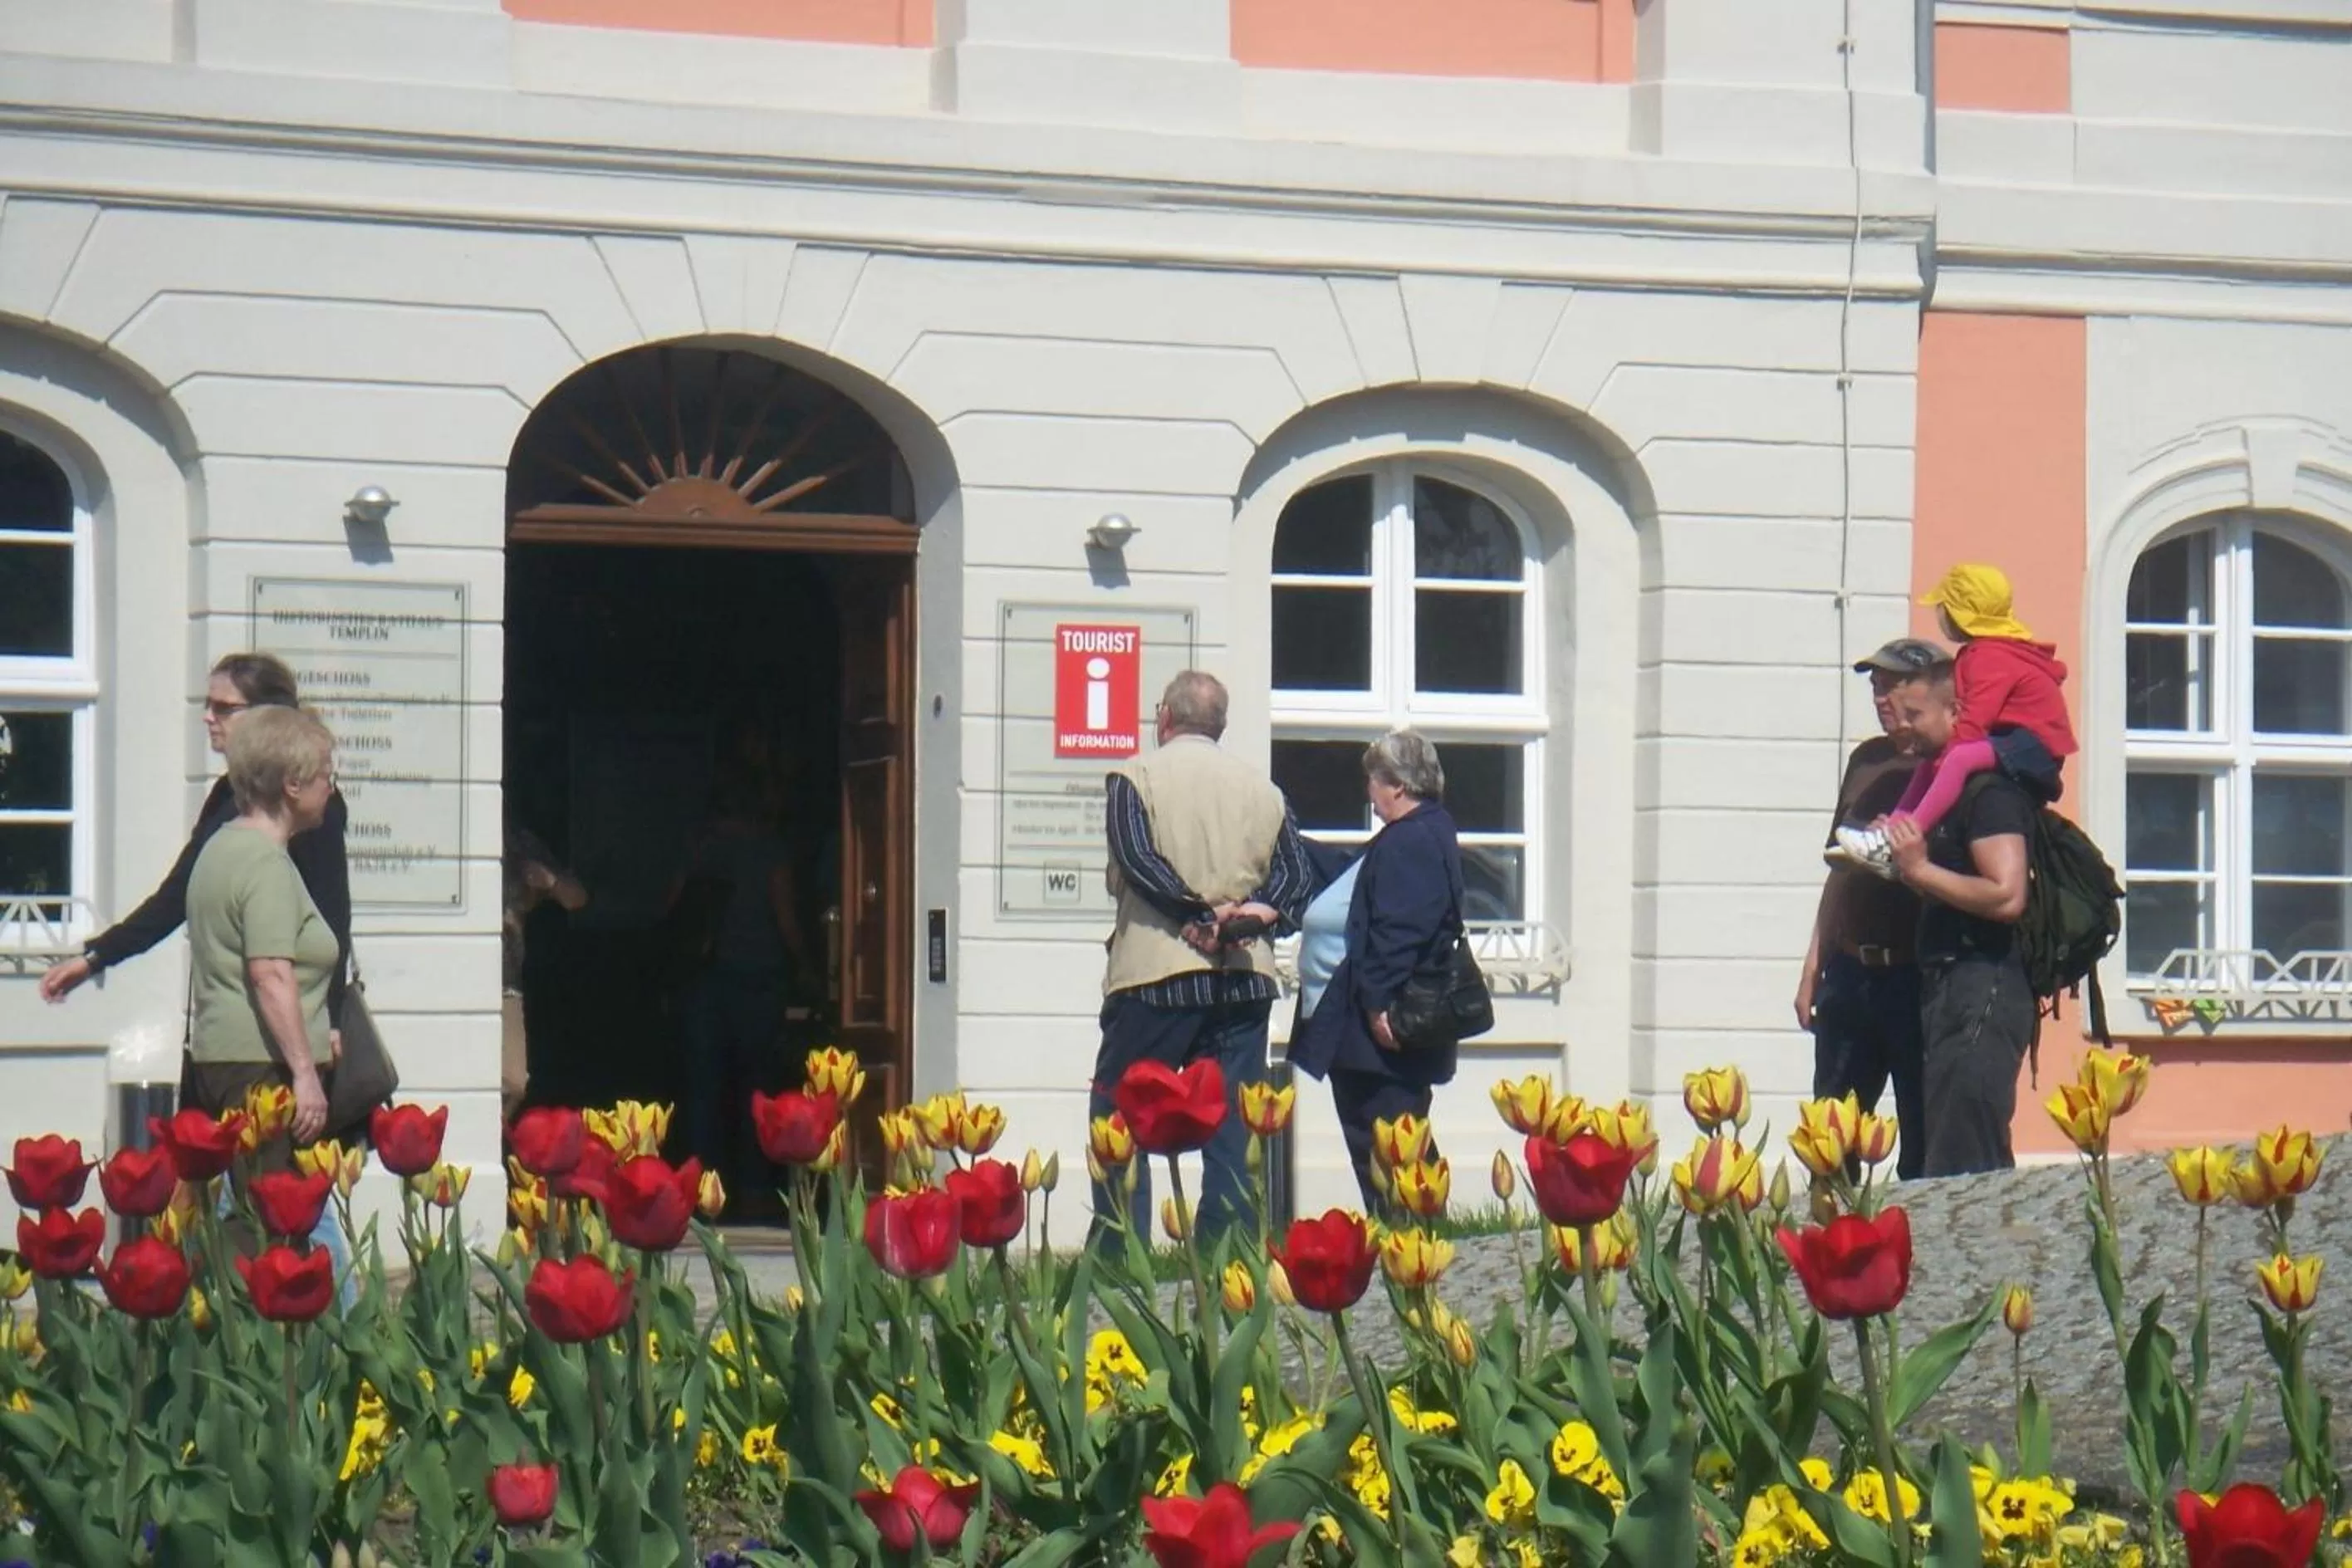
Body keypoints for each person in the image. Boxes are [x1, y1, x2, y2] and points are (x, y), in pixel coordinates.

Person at [39, 654, 354, 1071]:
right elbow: (176, 896)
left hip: (291, 1033)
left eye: (224, 708)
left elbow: (331, 910)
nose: (209, 718)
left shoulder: (308, 803)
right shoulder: (229, 795)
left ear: (268, 717)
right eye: (208, 705)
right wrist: (97, 957)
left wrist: (332, 1020)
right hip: (228, 1032)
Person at [1090, 671, 1311, 1247]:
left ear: (1164, 716)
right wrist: (1248, 916)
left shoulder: (1135, 778)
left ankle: (1121, 1250)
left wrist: (1194, 912)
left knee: (1119, 1112)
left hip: (1154, 975)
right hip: (1243, 978)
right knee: (1234, 1125)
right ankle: (1229, 1251)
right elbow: (1296, 874)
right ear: (1221, 725)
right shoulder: (1265, 792)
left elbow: (1138, 859)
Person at [1286, 730, 1466, 1210]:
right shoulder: (1415, 833)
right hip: (1376, 1029)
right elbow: (1351, 873)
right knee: (1390, 1143)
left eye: (1373, 780)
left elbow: (1399, 930)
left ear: (1398, 786)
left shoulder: (1413, 839)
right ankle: (1410, 1241)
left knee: (1385, 1145)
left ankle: (1410, 1249)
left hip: (1381, 1034)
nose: (1369, 791)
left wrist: (1376, 1005)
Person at [184, 706, 341, 1236]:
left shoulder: (220, 846)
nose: (331, 785)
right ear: (293, 785)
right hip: (262, 1069)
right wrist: (303, 1073)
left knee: (247, 1218)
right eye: (326, 773)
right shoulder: (266, 865)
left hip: (220, 1057)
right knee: (279, 1226)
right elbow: (270, 974)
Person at [1796, 639, 1942, 1181]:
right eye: (1877, 685)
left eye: (1897, 683)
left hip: (1914, 973)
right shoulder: (1867, 760)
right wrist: (1812, 967)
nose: (1884, 696)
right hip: (1852, 969)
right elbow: (1841, 866)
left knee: (1922, 1140)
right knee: (1832, 1137)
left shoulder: (1945, 762)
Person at [1883, 663, 2036, 1177]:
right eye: (1896, 714)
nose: (1902, 725)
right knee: (1939, 1148)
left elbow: (2007, 894)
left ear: (1955, 712)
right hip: (1946, 985)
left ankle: (1984, 1254)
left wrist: (1920, 868)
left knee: (1968, 1153)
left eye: (1915, 714)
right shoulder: (1939, 792)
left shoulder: (1988, 793)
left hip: (1984, 984)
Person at [1838, 564, 2074, 876]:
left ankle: (1909, 836)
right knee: (1935, 761)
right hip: (2013, 740)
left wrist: (1948, 758)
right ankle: (1891, 834)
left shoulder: (1990, 657)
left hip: (2032, 748)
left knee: (1958, 758)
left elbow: (1976, 719)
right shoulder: (1984, 653)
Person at [669, 764, 813, 1178]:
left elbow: (672, 906)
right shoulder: (770, 849)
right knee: (757, 1090)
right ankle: (754, 1188)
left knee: (703, 1089)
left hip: (703, 978)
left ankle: (699, 1184)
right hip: (758, 977)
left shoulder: (700, 846)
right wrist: (806, 966)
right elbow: (784, 916)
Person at [502, 825, 587, 1115]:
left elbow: (576, 898)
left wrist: (548, 881)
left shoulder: (518, 843)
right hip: (455, 975)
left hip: (505, 983)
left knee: (512, 1083)